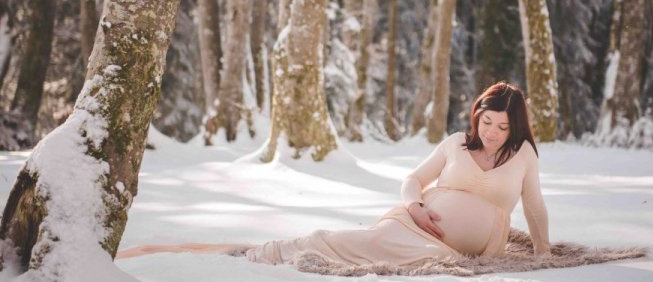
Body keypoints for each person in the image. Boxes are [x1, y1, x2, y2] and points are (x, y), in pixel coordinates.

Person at [116, 81, 551, 265]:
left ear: (517, 127)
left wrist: (544, 254)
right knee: (362, 243)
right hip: (414, 221)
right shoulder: (456, 142)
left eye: (503, 127)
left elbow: (534, 208)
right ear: (476, 117)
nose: (491, 133)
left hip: (460, 245)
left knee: (372, 247)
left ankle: (276, 252)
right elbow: (412, 180)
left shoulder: (524, 156)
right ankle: (268, 254)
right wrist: (416, 207)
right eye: (486, 123)